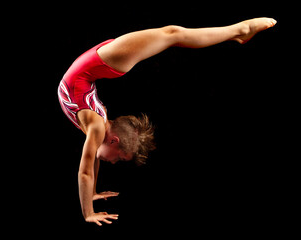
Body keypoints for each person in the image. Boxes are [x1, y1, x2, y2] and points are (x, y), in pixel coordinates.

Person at [57, 17, 277, 226]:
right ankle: (237, 33)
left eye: (119, 159)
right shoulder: (97, 127)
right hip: (98, 61)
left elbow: (85, 171)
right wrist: (92, 194)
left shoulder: (95, 127)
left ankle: (240, 31)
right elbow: (92, 160)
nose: (114, 163)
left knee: (172, 33)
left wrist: (88, 213)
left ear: (114, 140)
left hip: (103, 60)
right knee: (172, 35)